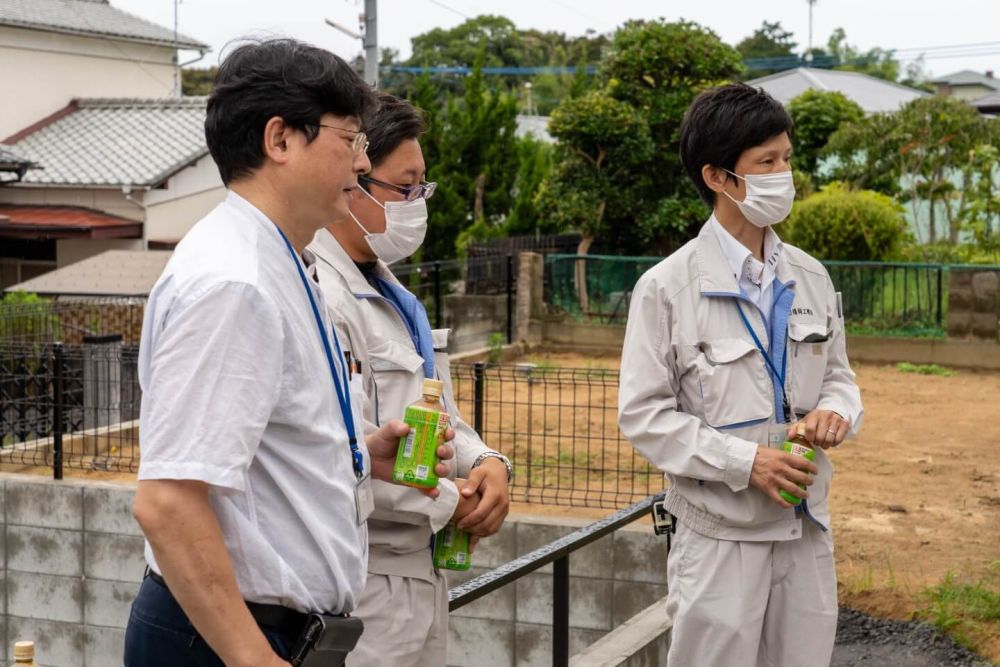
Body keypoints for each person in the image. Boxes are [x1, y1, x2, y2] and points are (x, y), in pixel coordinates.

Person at [124, 39, 454, 667]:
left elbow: (266, 444)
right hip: (231, 638)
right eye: (350, 139)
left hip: (263, 631)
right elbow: (167, 501)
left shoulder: (283, 262)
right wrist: (254, 658)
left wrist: (361, 450)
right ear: (280, 141)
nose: (361, 163)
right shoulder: (235, 282)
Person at [617, 82, 863, 667]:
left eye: (787, 159)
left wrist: (837, 412)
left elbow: (840, 376)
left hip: (804, 529)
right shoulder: (667, 288)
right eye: (767, 163)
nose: (785, 175)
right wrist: (745, 462)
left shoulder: (810, 277)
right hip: (719, 539)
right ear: (718, 177)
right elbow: (644, 417)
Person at [309, 94, 512, 667]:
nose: (417, 204)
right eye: (406, 187)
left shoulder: (392, 291)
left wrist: (487, 463)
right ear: (355, 181)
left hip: (425, 569)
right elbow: (348, 448)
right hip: (367, 579)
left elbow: (435, 411)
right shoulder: (321, 293)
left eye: (424, 186)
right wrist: (460, 501)